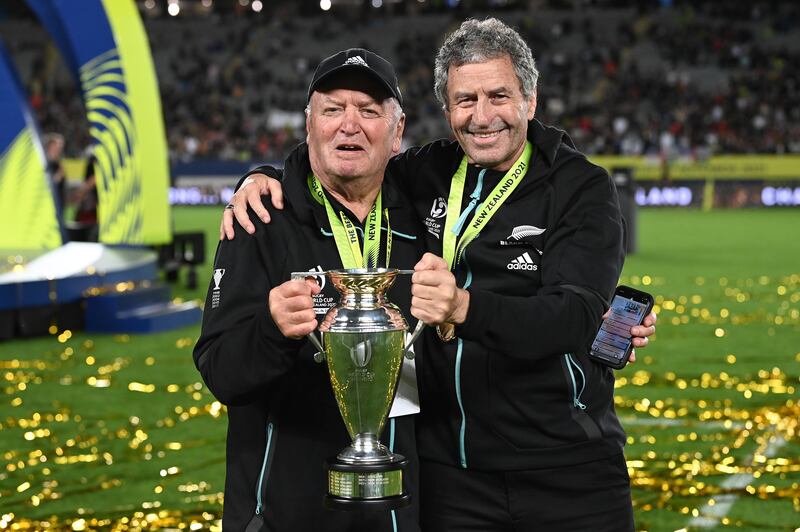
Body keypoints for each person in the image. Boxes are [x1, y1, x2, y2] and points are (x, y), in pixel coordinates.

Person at [222, 19, 657, 531]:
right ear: (447, 110)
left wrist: (463, 308)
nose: (483, 116)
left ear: (530, 100)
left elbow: (575, 314)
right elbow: (345, 158)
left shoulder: (580, 187)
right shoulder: (424, 174)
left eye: (499, 96)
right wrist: (264, 178)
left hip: (567, 467)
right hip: (450, 475)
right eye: (465, 100)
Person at [193, 49, 431, 531]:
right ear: (308, 124)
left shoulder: (423, 220)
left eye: (368, 111)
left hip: (398, 511)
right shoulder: (260, 218)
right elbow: (220, 370)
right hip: (286, 513)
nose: (350, 125)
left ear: (397, 131)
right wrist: (271, 328)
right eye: (332, 109)